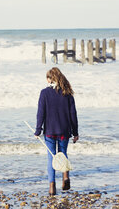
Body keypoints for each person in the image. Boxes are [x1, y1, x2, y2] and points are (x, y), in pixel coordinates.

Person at [34, 67, 79, 195]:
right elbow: (73, 115)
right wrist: (75, 132)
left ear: (49, 79)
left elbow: (40, 113)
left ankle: (52, 187)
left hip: (49, 131)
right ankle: (65, 176)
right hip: (64, 130)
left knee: (51, 158)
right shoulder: (67, 93)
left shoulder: (44, 93)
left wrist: (37, 130)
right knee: (63, 153)